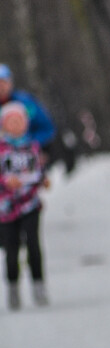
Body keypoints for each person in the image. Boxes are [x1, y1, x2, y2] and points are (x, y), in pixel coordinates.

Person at [0, 102, 49, 310]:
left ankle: (39, 286)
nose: (16, 124)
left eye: (19, 120)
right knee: (11, 250)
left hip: (30, 203)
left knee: (33, 245)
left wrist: (43, 180)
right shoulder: (2, 148)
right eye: (11, 121)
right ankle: (13, 288)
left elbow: (37, 170)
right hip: (6, 208)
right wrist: (5, 181)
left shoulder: (32, 146)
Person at [0, 64, 55, 150]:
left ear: (10, 82)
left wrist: (32, 145)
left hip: (27, 155)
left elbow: (46, 128)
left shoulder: (25, 102)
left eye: (4, 82)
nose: (1, 87)